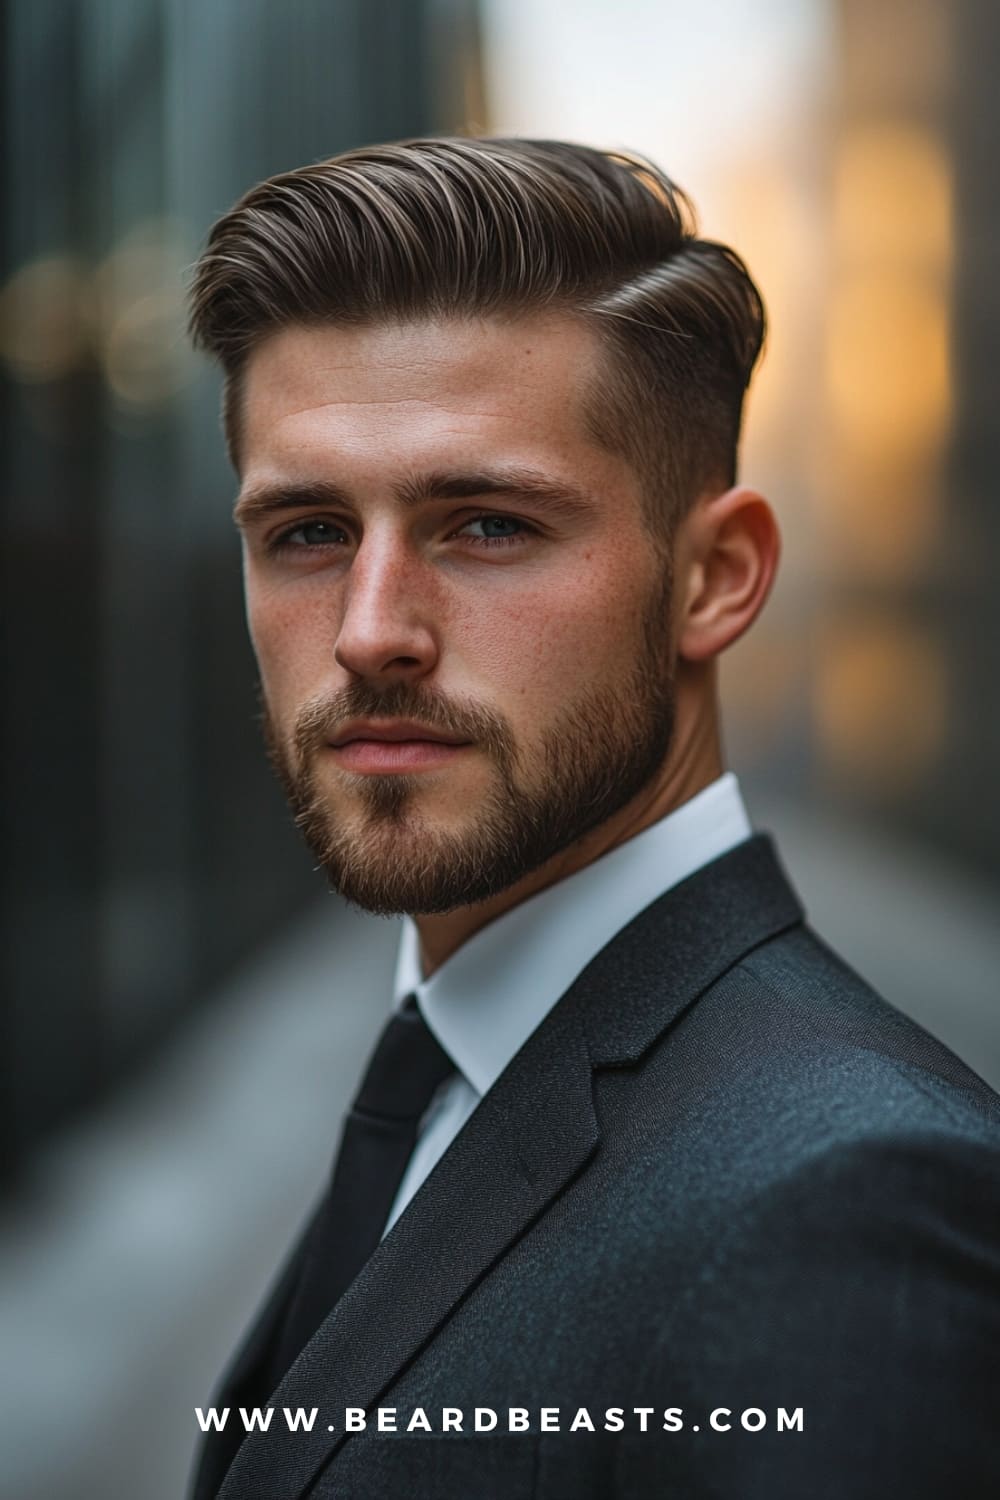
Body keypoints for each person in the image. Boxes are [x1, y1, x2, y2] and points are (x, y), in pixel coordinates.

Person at [185, 137, 1000, 1500]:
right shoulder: (452, 1067)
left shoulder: (851, 1198)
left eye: (488, 525)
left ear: (715, 579)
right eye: (309, 533)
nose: (372, 632)